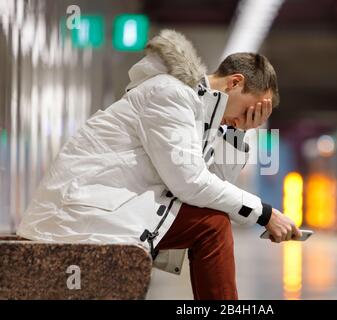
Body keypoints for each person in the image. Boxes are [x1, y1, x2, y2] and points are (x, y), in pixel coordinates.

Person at [17, 29, 300, 300]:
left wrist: (238, 132)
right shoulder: (171, 95)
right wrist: (265, 214)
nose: (248, 118)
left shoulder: (199, 114)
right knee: (212, 226)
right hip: (75, 214)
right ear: (235, 82)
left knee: (212, 222)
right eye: (251, 110)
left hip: (104, 206)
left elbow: (213, 188)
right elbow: (191, 184)